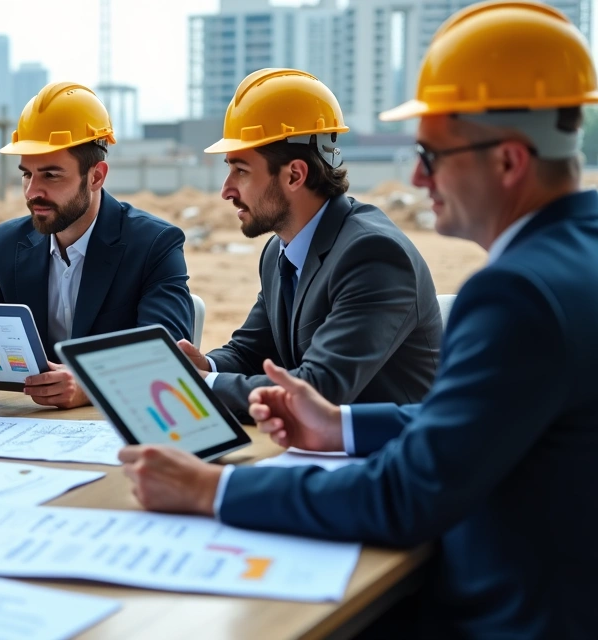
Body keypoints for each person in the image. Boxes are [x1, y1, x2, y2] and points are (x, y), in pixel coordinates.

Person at [119, 2, 598, 636]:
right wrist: (340, 426)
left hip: (507, 613)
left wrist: (211, 491)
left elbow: (403, 495)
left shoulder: (516, 292)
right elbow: (466, 418)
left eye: (431, 153)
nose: (416, 175)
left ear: (508, 161)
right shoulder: (576, 257)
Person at [180, 68, 441, 422]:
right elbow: (251, 350)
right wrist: (206, 365)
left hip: (381, 459)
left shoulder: (374, 255)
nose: (226, 189)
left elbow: (321, 390)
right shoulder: (279, 252)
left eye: (240, 170)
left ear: (294, 175)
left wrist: (203, 386)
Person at [0, 81, 194, 409]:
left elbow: (165, 355)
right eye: (26, 175)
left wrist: (89, 385)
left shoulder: (153, 244)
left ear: (96, 177)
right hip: (27, 428)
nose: (32, 191)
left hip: (116, 430)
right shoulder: (5, 244)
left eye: (51, 175)